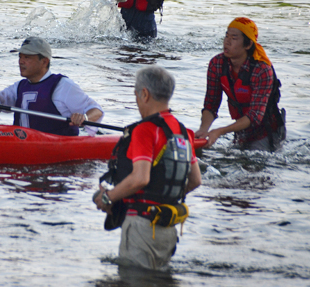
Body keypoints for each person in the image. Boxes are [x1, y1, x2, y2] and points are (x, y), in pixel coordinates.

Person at [93, 66, 202, 270]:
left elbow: (140, 179)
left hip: (141, 227)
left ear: (144, 94)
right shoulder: (183, 132)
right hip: (169, 228)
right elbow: (196, 180)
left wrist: (108, 197)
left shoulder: (144, 130)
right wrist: (161, 195)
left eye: (135, 93)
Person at [0, 36, 104, 136]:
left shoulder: (62, 86)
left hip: (57, 150)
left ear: (44, 61)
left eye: (27, 57)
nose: (21, 61)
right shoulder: (19, 87)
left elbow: (96, 110)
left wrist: (84, 117)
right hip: (23, 147)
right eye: (20, 57)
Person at [195, 17, 286, 152]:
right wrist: (203, 131)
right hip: (241, 131)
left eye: (234, 38)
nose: (227, 41)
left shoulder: (262, 70)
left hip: (267, 131)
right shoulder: (217, 64)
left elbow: (255, 116)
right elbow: (211, 104)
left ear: (248, 45)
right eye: (226, 36)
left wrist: (220, 131)